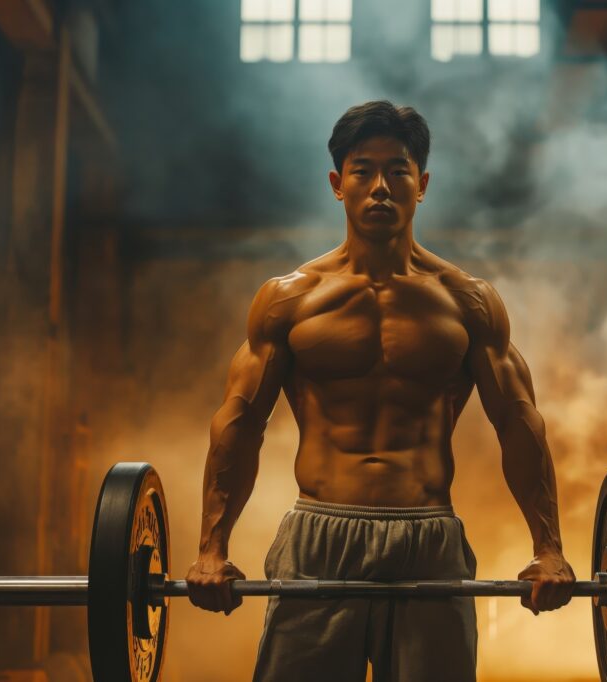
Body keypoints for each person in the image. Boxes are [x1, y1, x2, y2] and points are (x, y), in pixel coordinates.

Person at [186, 100, 575, 681]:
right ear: (337, 184)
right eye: (363, 171)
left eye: (397, 171)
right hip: (319, 534)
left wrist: (549, 549)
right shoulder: (289, 298)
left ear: (422, 185)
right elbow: (240, 423)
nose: (380, 187)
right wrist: (212, 548)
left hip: (428, 536)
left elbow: (518, 422)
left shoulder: (466, 301)